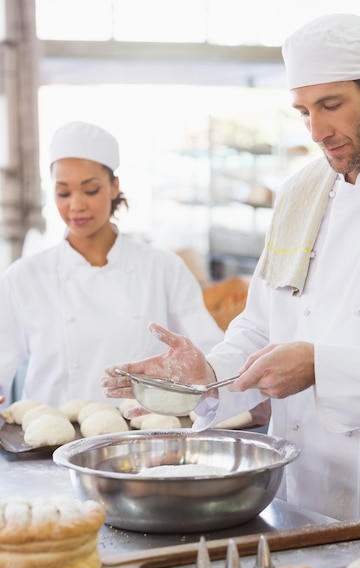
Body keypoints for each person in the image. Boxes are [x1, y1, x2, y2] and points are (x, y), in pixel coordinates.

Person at [101, 13, 360, 522]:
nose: (317, 130)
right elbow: (259, 326)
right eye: (303, 111)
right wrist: (207, 377)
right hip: (298, 493)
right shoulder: (302, 192)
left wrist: (321, 368)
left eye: (331, 105)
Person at [0, 121, 223, 406]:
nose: (76, 205)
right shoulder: (24, 277)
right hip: (49, 442)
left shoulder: (162, 268)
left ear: (114, 187)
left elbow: (209, 353)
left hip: (143, 437)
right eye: (63, 192)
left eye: (90, 190)